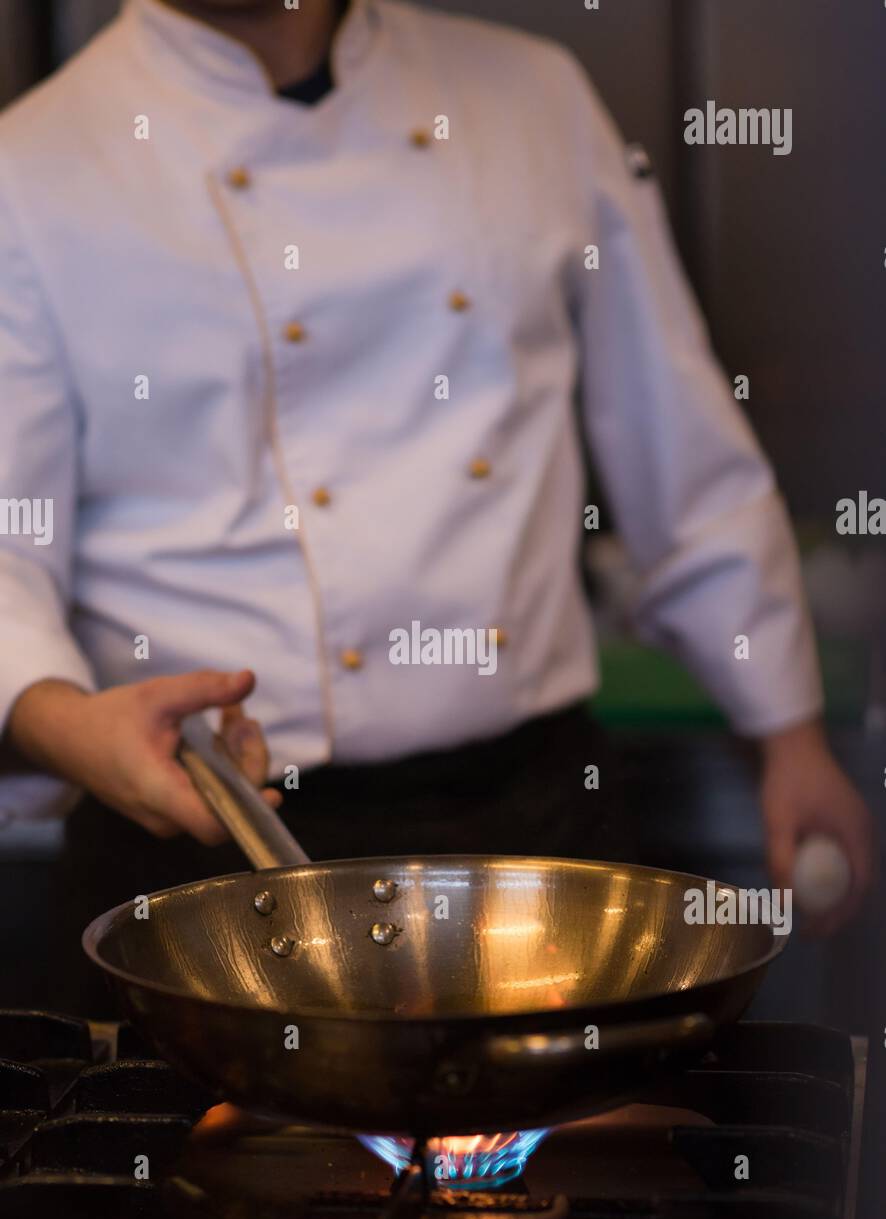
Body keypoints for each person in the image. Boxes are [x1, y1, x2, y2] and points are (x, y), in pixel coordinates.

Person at [0, 0, 872, 1012]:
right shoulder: (31, 169)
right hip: (203, 857)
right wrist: (63, 723)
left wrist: (789, 730)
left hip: (528, 837)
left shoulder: (532, 97)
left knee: (573, 1165)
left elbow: (678, 447)